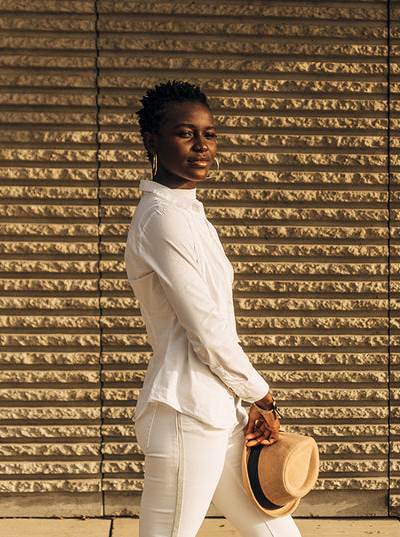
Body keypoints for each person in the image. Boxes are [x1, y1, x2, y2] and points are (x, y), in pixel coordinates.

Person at [125, 80, 302, 537]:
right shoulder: (162, 218)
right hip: (186, 414)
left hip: (220, 412)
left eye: (210, 133)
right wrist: (262, 395)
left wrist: (245, 403)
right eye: (185, 133)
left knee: (276, 534)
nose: (202, 145)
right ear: (153, 140)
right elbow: (206, 329)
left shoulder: (187, 212)